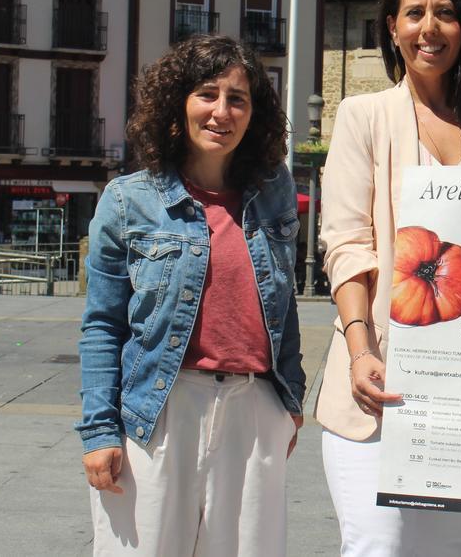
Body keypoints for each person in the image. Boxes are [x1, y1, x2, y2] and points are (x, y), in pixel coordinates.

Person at [314, 0, 461, 556]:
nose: (429, 28)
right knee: (374, 549)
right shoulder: (363, 116)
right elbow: (347, 245)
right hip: (375, 381)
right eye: (415, 13)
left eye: (446, 13)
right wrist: (360, 350)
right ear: (391, 28)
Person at [77, 35, 305, 555]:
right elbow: (101, 326)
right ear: (178, 104)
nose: (221, 111)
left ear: (254, 114)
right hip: (159, 408)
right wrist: (99, 432)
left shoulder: (274, 189)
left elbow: (285, 303)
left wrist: (288, 400)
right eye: (207, 94)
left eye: (238, 98)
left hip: (254, 407)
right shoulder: (128, 199)